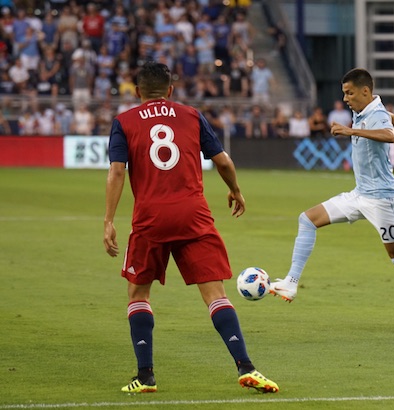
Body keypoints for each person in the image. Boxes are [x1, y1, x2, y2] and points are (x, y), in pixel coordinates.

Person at [103, 62, 279, 394]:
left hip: (149, 218)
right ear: (170, 90)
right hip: (193, 215)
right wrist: (236, 191)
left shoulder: (123, 122)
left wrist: (109, 220)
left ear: (138, 92)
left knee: (138, 294)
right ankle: (247, 367)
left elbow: (116, 171)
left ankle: (146, 376)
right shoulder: (191, 115)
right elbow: (223, 161)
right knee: (216, 295)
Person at [269, 68, 394, 330]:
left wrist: (356, 134)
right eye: (344, 93)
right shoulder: (363, 110)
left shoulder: (376, 113)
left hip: (384, 199)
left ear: (365, 91)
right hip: (359, 194)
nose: (346, 98)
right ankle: (291, 283)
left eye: (349, 93)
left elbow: (388, 132)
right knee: (307, 219)